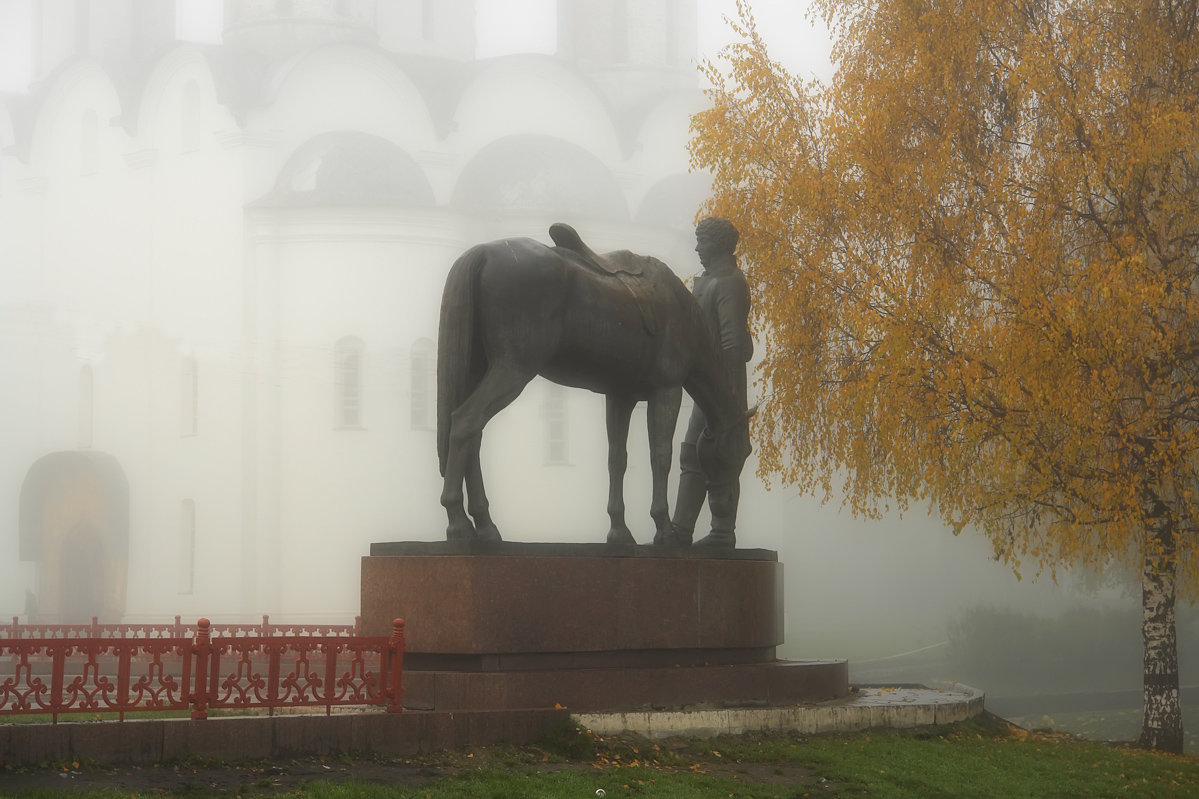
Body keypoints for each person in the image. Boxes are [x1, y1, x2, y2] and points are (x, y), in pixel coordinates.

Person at [663, 216, 752, 549]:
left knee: (718, 453)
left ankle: (720, 531)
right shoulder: (714, 280)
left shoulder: (728, 282)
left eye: (702, 241)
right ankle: (682, 529)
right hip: (709, 385)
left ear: (718, 243)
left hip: (721, 387)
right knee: (694, 452)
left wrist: (725, 404)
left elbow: (731, 345)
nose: (697, 248)